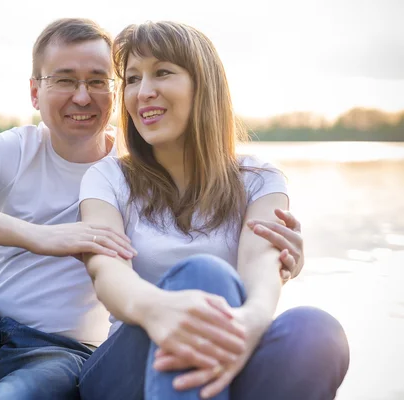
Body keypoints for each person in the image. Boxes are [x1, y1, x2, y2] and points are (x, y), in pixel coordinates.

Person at [0, 18, 307, 400]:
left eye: (98, 80)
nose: (82, 96)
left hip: (59, 353)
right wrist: (39, 236)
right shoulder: (12, 149)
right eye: (64, 80)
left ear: (113, 95)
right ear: (35, 92)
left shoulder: (125, 175)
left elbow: (191, 243)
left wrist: (277, 259)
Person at [77, 21, 349, 400]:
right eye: (133, 79)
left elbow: (261, 274)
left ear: (203, 86)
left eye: (162, 73)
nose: (143, 92)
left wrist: (249, 326)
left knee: (317, 331)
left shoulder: (260, 180)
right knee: (204, 275)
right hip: (124, 374)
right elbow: (108, 275)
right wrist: (162, 311)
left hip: (231, 354)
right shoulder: (106, 178)